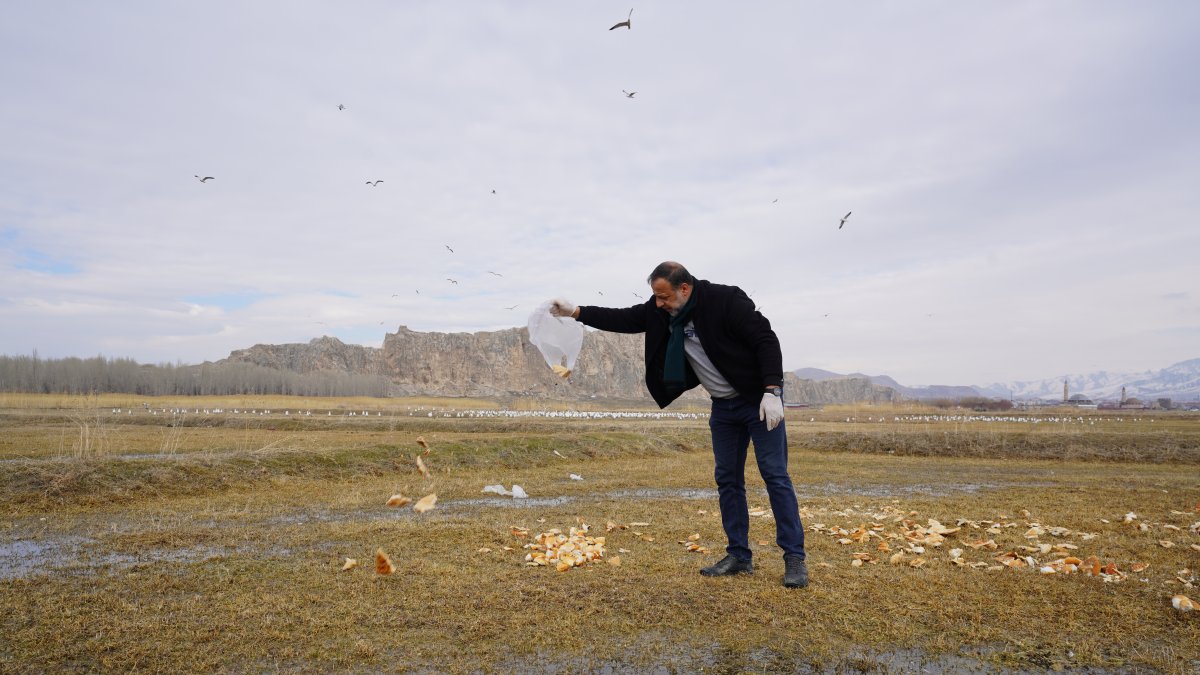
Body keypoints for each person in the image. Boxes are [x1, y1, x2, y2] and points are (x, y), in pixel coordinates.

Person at [549, 261, 808, 588]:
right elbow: (624, 318)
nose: (659, 303)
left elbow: (765, 340)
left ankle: (794, 558)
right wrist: (576, 311)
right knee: (727, 478)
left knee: (774, 474)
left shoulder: (726, 301)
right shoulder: (662, 311)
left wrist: (772, 391)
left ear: (684, 288)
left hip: (758, 401)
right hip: (723, 408)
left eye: (664, 296)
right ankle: (739, 556)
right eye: (655, 297)